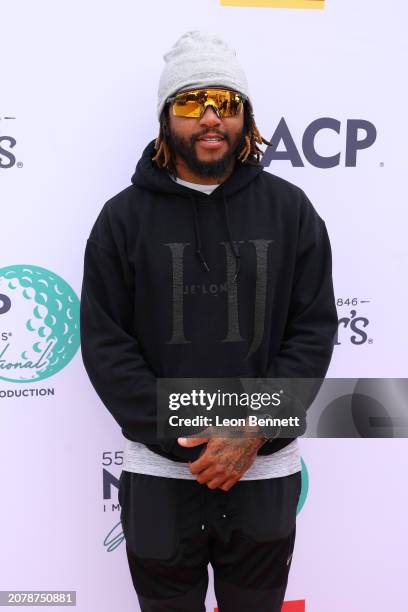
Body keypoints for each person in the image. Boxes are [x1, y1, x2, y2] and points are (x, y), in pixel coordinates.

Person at [80, 30, 338, 612]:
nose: (211, 118)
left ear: (247, 116)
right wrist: (195, 435)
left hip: (264, 470)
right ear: (166, 119)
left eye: (226, 102)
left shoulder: (290, 210)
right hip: (161, 476)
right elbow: (105, 343)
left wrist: (251, 432)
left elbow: (313, 331)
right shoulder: (122, 219)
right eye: (192, 103)